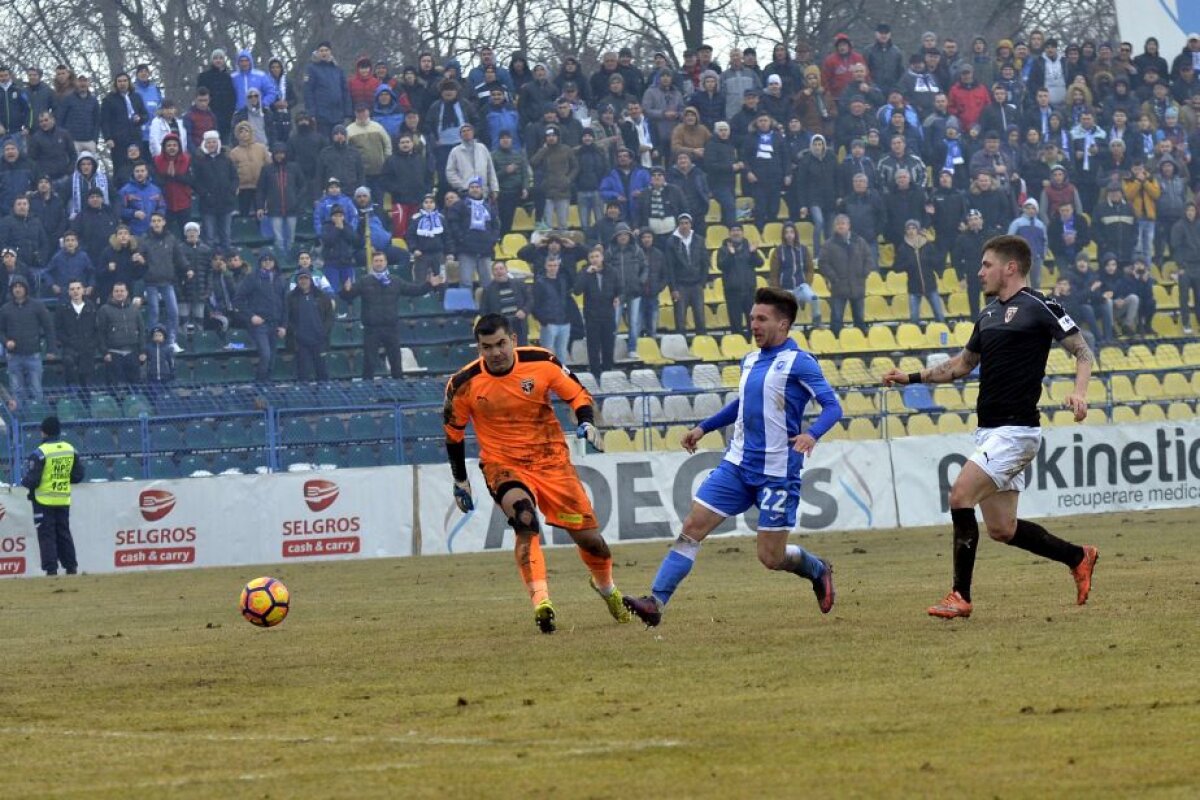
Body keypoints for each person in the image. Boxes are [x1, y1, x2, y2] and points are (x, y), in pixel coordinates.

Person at [882, 235, 1099, 619]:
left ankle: (959, 596)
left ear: (1009, 267)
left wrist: (1079, 394)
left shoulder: (1041, 305)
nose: (979, 272)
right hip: (990, 431)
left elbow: (1083, 352)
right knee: (1002, 529)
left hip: (1016, 432)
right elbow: (962, 365)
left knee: (959, 496)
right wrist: (912, 377)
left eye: (986, 265)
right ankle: (1078, 556)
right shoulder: (987, 314)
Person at [623, 287, 841, 627]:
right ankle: (655, 601)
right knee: (692, 527)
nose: (753, 324)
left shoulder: (800, 362)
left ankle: (817, 569)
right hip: (737, 466)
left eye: (761, 319)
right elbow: (744, 404)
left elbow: (833, 406)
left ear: (783, 324)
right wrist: (704, 427)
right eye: (752, 318)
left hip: (778, 473)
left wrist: (812, 434)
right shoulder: (750, 360)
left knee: (771, 557)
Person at [443, 313, 629, 634]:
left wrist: (586, 421)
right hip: (503, 465)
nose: (496, 352)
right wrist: (461, 480)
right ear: (478, 348)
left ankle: (607, 588)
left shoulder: (541, 362)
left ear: (513, 340)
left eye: (501, 344)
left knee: (592, 542)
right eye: (487, 347)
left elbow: (576, 394)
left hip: (551, 462)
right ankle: (542, 602)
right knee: (525, 520)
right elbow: (453, 433)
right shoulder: (463, 384)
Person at [340, 250, 444, 379]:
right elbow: (348, 296)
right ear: (372, 263)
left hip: (391, 327)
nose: (379, 263)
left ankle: (399, 392)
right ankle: (367, 392)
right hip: (371, 329)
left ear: (386, 262)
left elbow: (414, 290)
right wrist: (345, 290)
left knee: (396, 362)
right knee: (369, 363)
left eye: (381, 261)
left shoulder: (395, 281)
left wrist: (429, 285)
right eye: (376, 261)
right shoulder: (364, 281)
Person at [21, 416, 85, 576]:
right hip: (63, 498)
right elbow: (78, 476)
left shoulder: (40, 453)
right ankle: (71, 567)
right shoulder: (70, 449)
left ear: (43, 432)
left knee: (46, 535)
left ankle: (51, 569)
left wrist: (23, 480)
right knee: (64, 533)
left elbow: (33, 481)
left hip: (43, 500)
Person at [233, 250, 288, 382]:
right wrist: (251, 316)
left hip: (275, 325)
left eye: (270, 260)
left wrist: (284, 326)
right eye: (264, 260)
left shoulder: (281, 279)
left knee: (272, 358)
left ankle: (266, 385)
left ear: (274, 262)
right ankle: (260, 385)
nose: (268, 262)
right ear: (260, 262)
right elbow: (237, 300)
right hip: (260, 325)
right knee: (266, 355)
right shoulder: (252, 278)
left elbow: (286, 304)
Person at [0, 275, 52, 405]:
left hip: (33, 355)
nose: (17, 289)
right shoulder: (5, 309)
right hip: (13, 356)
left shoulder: (37, 306)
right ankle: (20, 421)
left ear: (26, 289)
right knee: (16, 392)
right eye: (15, 287)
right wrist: (6, 342)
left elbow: (48, 328)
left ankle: (37, 417)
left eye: (20, 286)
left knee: (36, 390)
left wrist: (51, 349)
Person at [54, 279, 98, 388]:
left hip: (88, 350)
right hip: (70, 349)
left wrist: (92, 344)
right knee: (72, 381)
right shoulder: (62, 308)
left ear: (83, 290)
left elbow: (97, 329)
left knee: (87, 385)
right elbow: (58, 330)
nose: (75, 291)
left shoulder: (91, 307)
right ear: (68, 292)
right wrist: (69, 342)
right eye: (72, 289)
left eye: (78, 288)